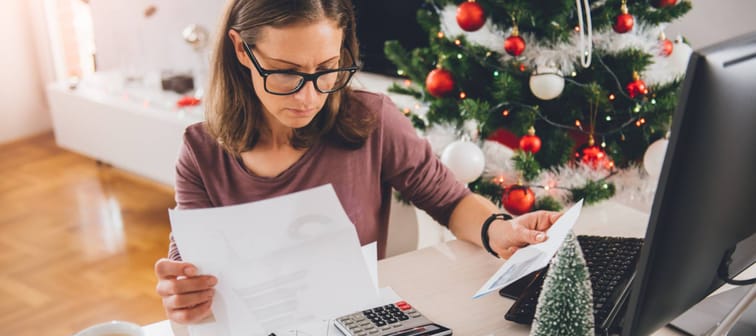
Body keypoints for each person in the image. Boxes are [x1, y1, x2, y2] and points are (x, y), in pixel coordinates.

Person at [154, 0, 561, 325]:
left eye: (327, 70)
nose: (309, 97)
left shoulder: (372, 120)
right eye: (285, 73)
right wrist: (184, 294)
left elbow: (449, 200)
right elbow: (189, 268)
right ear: (242, 50)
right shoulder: (201, 151)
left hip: (355, 323)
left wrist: (499, 229)